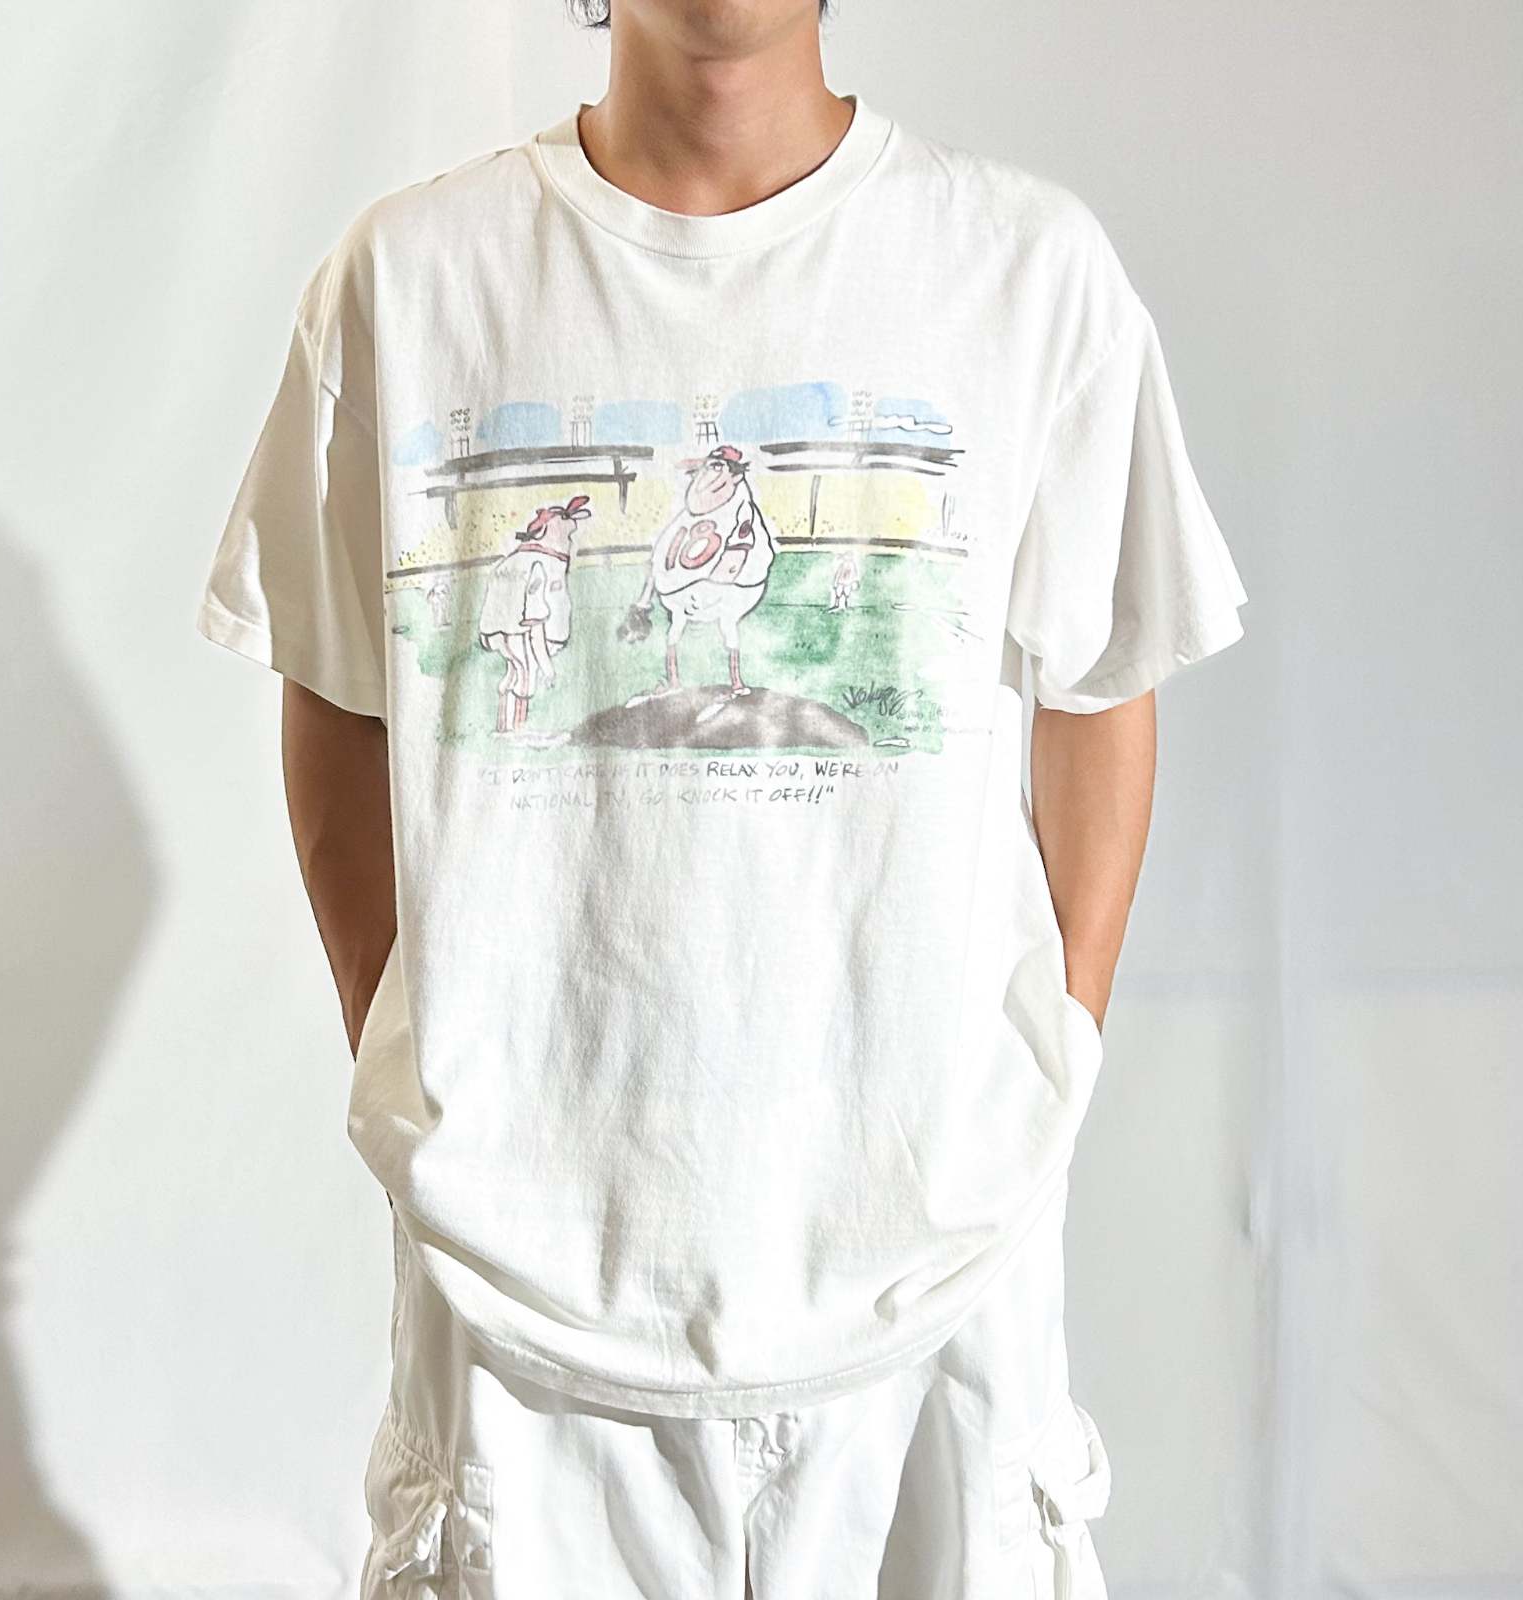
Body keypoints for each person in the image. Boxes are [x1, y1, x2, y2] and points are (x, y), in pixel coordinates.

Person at [193, 1, 1249, 1594]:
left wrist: (1056, 1047)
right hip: (521, 1279)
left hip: (934, 1267)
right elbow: (337, 690)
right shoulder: (408, 283)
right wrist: (417, 1036)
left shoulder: (1029, 274)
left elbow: (1101, 685)